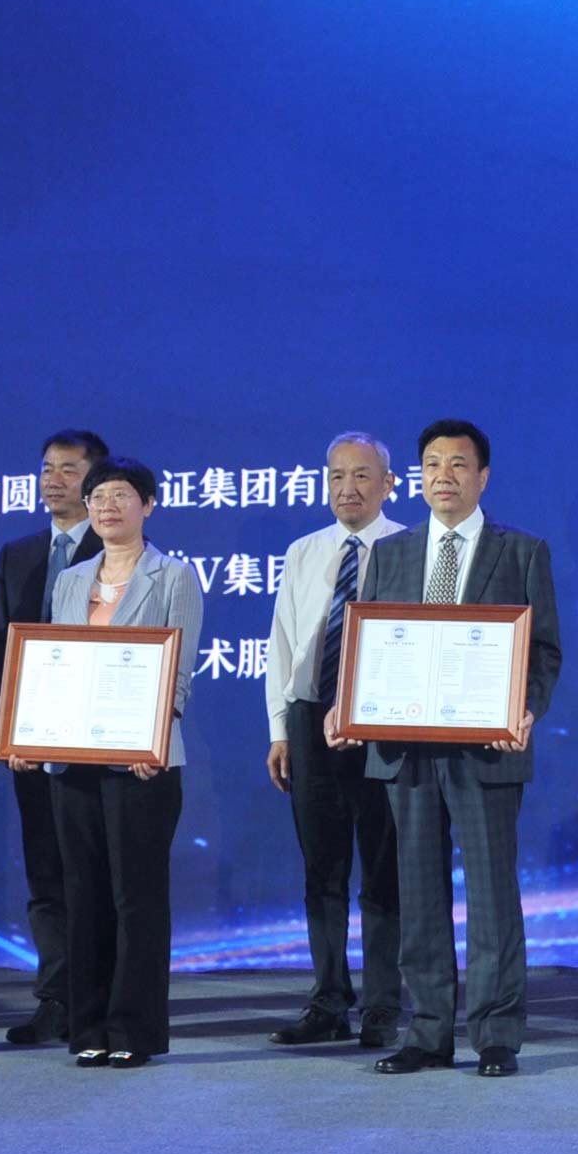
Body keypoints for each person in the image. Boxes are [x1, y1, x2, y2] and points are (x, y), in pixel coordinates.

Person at [363, 420, 562, 1078]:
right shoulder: (390, 554)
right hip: (406, 748)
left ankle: (496, 1031)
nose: (443, 476)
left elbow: (544, 651)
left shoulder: (521, 551)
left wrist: (525, 709)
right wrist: (353, 701)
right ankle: (427, 1029)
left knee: (492, 892)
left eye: (457, 464)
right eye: (431, 464)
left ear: (483, 476)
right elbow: (372, 645)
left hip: (488, 747)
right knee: (417, 890)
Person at [4, 457, 199, 1069]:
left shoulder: (174, 577)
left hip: (143, 766)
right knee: (83, 893)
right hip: (74, 761)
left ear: (148, 505)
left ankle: (133, 1030)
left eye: (121, 495)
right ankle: (88, 1026)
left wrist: (152, 741)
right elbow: (55, 665)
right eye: (98, 497)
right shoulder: (70, 580)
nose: (108, 507)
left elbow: (178, 672)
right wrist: (30, 731)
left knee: (136, 897)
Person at [262, 433, 406, 1051]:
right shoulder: (304, 551)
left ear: (389, 484)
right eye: (336, 476)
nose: (348, 488)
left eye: (362, 475)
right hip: (308, 717)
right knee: (321, 869)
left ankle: (382, 1004)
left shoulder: (408, 549)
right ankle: (328, 1000)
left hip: (381, 721)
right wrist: (280, 728)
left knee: (383, 868)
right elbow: (282, 643)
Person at [0, 428, 105, 1045]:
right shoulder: (19, 553)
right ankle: (55, 997)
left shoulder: (118, 548)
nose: (53, 480)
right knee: (45, 873)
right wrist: (14, 729)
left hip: (99, 742)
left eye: (69, 469)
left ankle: (98, 998)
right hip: (33, 741)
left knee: (93, 873)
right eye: (47, 468)